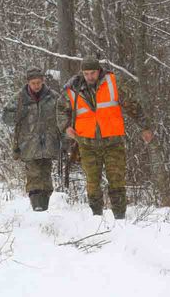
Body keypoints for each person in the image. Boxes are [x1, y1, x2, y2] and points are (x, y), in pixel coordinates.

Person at [57, 56, 153, 219]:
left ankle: (120, 218)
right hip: (86, 144)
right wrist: (66, 127)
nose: (90, 77)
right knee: (92, 184)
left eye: (92, 73)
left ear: (99, 70)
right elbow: (60, 109)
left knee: (117, 181)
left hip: (113, 142)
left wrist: (144, 127)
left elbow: (132, 105)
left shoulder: (113, 82)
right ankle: (97, 218)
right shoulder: (72, 89)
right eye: (86, 74)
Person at [2, 67, 60, 211]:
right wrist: (18, 115)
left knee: (46, 173)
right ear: (28, 82)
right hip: (28, 143)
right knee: (33, 174)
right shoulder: (19, 98)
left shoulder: (53, 97)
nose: (36, 86)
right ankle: (37, 206)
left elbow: (63, 115)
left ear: (43, 81)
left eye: (38, 82)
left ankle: (44, 205)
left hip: (49, 142)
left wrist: (63, 140)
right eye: (33, 83)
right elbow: (6, 118)